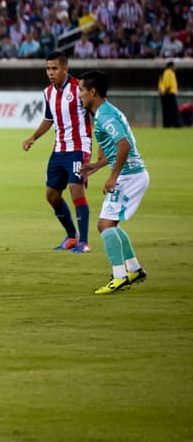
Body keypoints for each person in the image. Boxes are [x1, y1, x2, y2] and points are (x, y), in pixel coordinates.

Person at [78, 70, 149, 294]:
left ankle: (119, 277)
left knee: (104, 225)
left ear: (93, 92)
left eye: (81, 90)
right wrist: (97, 166)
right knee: (112, 223)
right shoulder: (106, 111)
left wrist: (113, 176)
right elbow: (116, 147)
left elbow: (124, 145)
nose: (79, 95)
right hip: (132, 173)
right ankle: (134, 269)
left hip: (130, 176)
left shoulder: (105, 116)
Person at [21, 51, 93, 253]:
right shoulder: (48, 92)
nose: (50, 72)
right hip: (59, 149)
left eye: (54, 68)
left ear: (65, 69)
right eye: (48, 68)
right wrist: (32, 138)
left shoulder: (80, 88)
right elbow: (48, 119)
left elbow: (96, 112)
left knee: (75, 189)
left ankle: (84, 242)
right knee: (52, 195)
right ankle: (72, 236)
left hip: (78, 148)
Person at [158, 61, 179, 128]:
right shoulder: (169, 72)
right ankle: (174, 125)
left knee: (167, 112)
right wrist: (165, 92)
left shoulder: (165, 72)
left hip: (167, 94)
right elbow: (167, 84)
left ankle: (168, 125)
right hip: (169, 94)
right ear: (171, 66)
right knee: (172, 111)